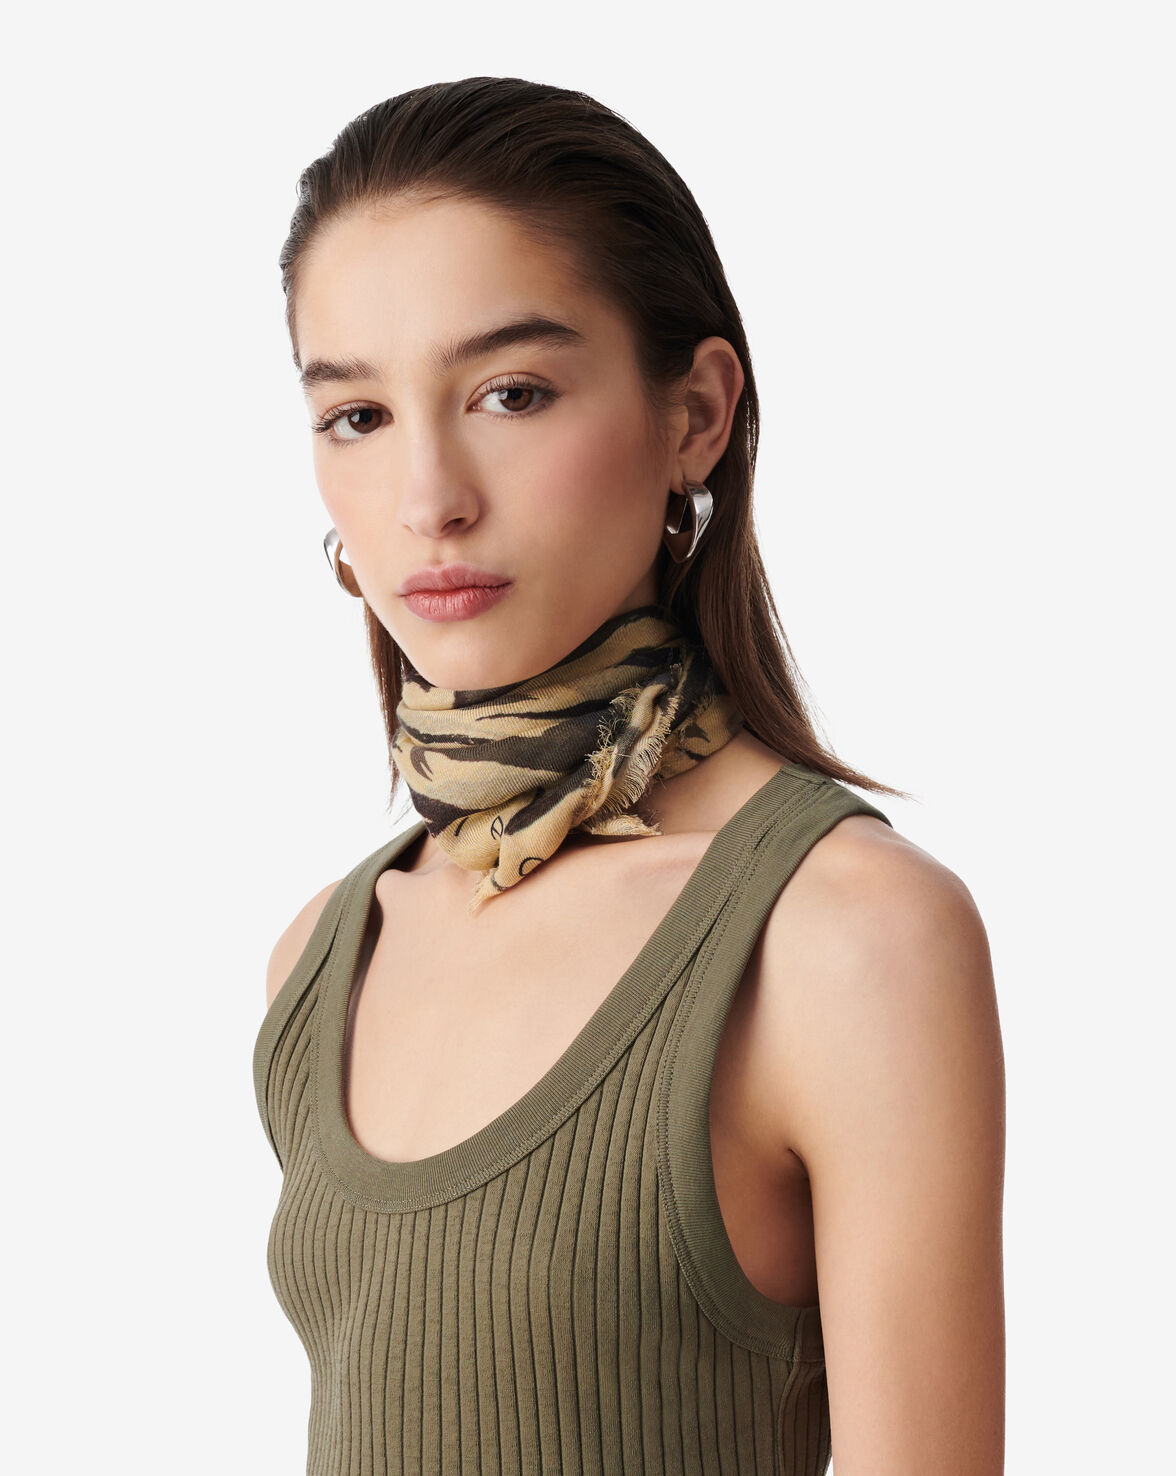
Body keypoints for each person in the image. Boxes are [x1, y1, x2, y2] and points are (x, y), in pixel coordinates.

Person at [253, 77, 1005, 1476]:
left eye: (511, 393)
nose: (428, 498)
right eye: (356, 415)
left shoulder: (846, 936)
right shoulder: (325, 955)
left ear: (696, 415)